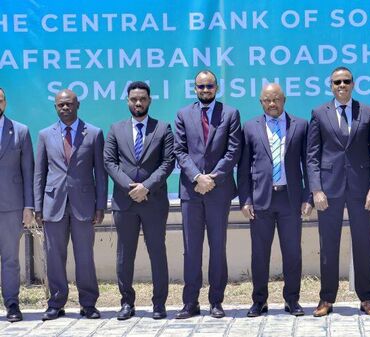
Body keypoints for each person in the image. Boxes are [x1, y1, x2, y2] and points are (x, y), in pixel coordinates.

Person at [307, 66, 370, 317]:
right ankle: (326, 298)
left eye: (346, 81)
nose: (342, 85)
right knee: (328, 244)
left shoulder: (368, 112)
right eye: (337, 82)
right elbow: (312, 157)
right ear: (331, 85)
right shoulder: (319, 113)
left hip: (361, 190)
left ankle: (367, 298)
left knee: (363, 243)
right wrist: (316, 190)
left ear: (353, 84)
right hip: (329, 190)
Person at [237, 83, 312, 317]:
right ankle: (259, 301)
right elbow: (243, 168)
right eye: (267, 100)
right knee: (259, 254)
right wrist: (245, 199)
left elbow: (308, 164)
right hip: (261, 201)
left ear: (284, 100)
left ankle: (292, 300)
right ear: (261, 102)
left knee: (292, 253)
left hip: (290, 199)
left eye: (276, 99)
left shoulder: (300, 125)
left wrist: (307, 195)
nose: (272, 104)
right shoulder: (250, 127)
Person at [33, 89, 107, 320]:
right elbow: (39, 173)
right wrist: (37, 207)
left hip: (84, 205)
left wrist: (100, 206)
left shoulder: (94, 133)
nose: (65, 108)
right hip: (53, 204)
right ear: (55, 107)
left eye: (69, 104)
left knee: (84, 256)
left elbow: (101, 173)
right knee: (54, 255)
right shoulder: (45, 134)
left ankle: (88, 303)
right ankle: (56, 303)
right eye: (60, 105)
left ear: (78, 105)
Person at [173, 70, 241, 319]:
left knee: (217, 247)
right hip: (191, 191)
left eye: (209, 86)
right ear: (195, 89)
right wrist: (197, 177)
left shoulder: (230, 114)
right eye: (200, 86)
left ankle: (216, 301)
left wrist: (212, 178)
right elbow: (179, 151)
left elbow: (233, 151)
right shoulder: (183, 114)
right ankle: (190, 302)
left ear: (217, 87)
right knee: (191, 249)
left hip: (218, 191)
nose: (205, 90)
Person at [104, 81, 175, 320]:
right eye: (134, 99)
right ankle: (127, 303)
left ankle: (159, 304)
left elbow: (168, 163)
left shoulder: (163, 128)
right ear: (127, 101)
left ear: (149, 100)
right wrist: (129, 187)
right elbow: (109, 162)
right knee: (125, 254)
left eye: (142, 99)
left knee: (157, 252)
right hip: (125, 202)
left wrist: (146, 187)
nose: (138, 103)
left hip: (153, 201)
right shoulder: (115, 129)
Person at [0, 88, 34, 322]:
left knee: (10, 258)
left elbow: (28, 172)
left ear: (5, 102)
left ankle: (12, 303)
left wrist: (29, 206)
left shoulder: (20, 131)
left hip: (11, 207)